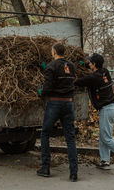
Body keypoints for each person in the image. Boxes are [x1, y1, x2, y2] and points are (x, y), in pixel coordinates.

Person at [74, 53, 114, 170]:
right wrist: (85, 65)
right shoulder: (105, 72)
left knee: (106, 137)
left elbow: (78, 81)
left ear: (94, 64)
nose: (89, 64)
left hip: (106, 110)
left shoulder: (93, 78)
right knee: (104, 136)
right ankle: (105, 161)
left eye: (90, 62)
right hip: (112, 108)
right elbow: (92, 69)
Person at [36, 43, 78, 182]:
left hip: (54, 103)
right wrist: (46, 69)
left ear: (54, 52)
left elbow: (48, 87)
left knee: (45, 133)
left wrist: (40, 92)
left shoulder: (51, 66)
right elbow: (64, 76)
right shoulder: (71, 66)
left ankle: (46, 168)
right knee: (70, 137)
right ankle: (73, 173)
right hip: (68, 103)